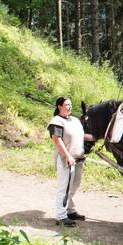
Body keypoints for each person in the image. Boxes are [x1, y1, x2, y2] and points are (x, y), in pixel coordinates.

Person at [48, 96, 93, 227]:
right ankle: (61, 216)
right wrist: (67, 156)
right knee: (64, 187)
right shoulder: (56, 121)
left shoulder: (75, 120)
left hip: (78, 160)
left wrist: (96, 137)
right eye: (67, 104)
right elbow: (57, 139)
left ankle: (69, 210)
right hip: (65, 160)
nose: (70, 107)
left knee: (74, 186)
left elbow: (80, 136)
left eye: (70, 104)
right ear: (59, 107)